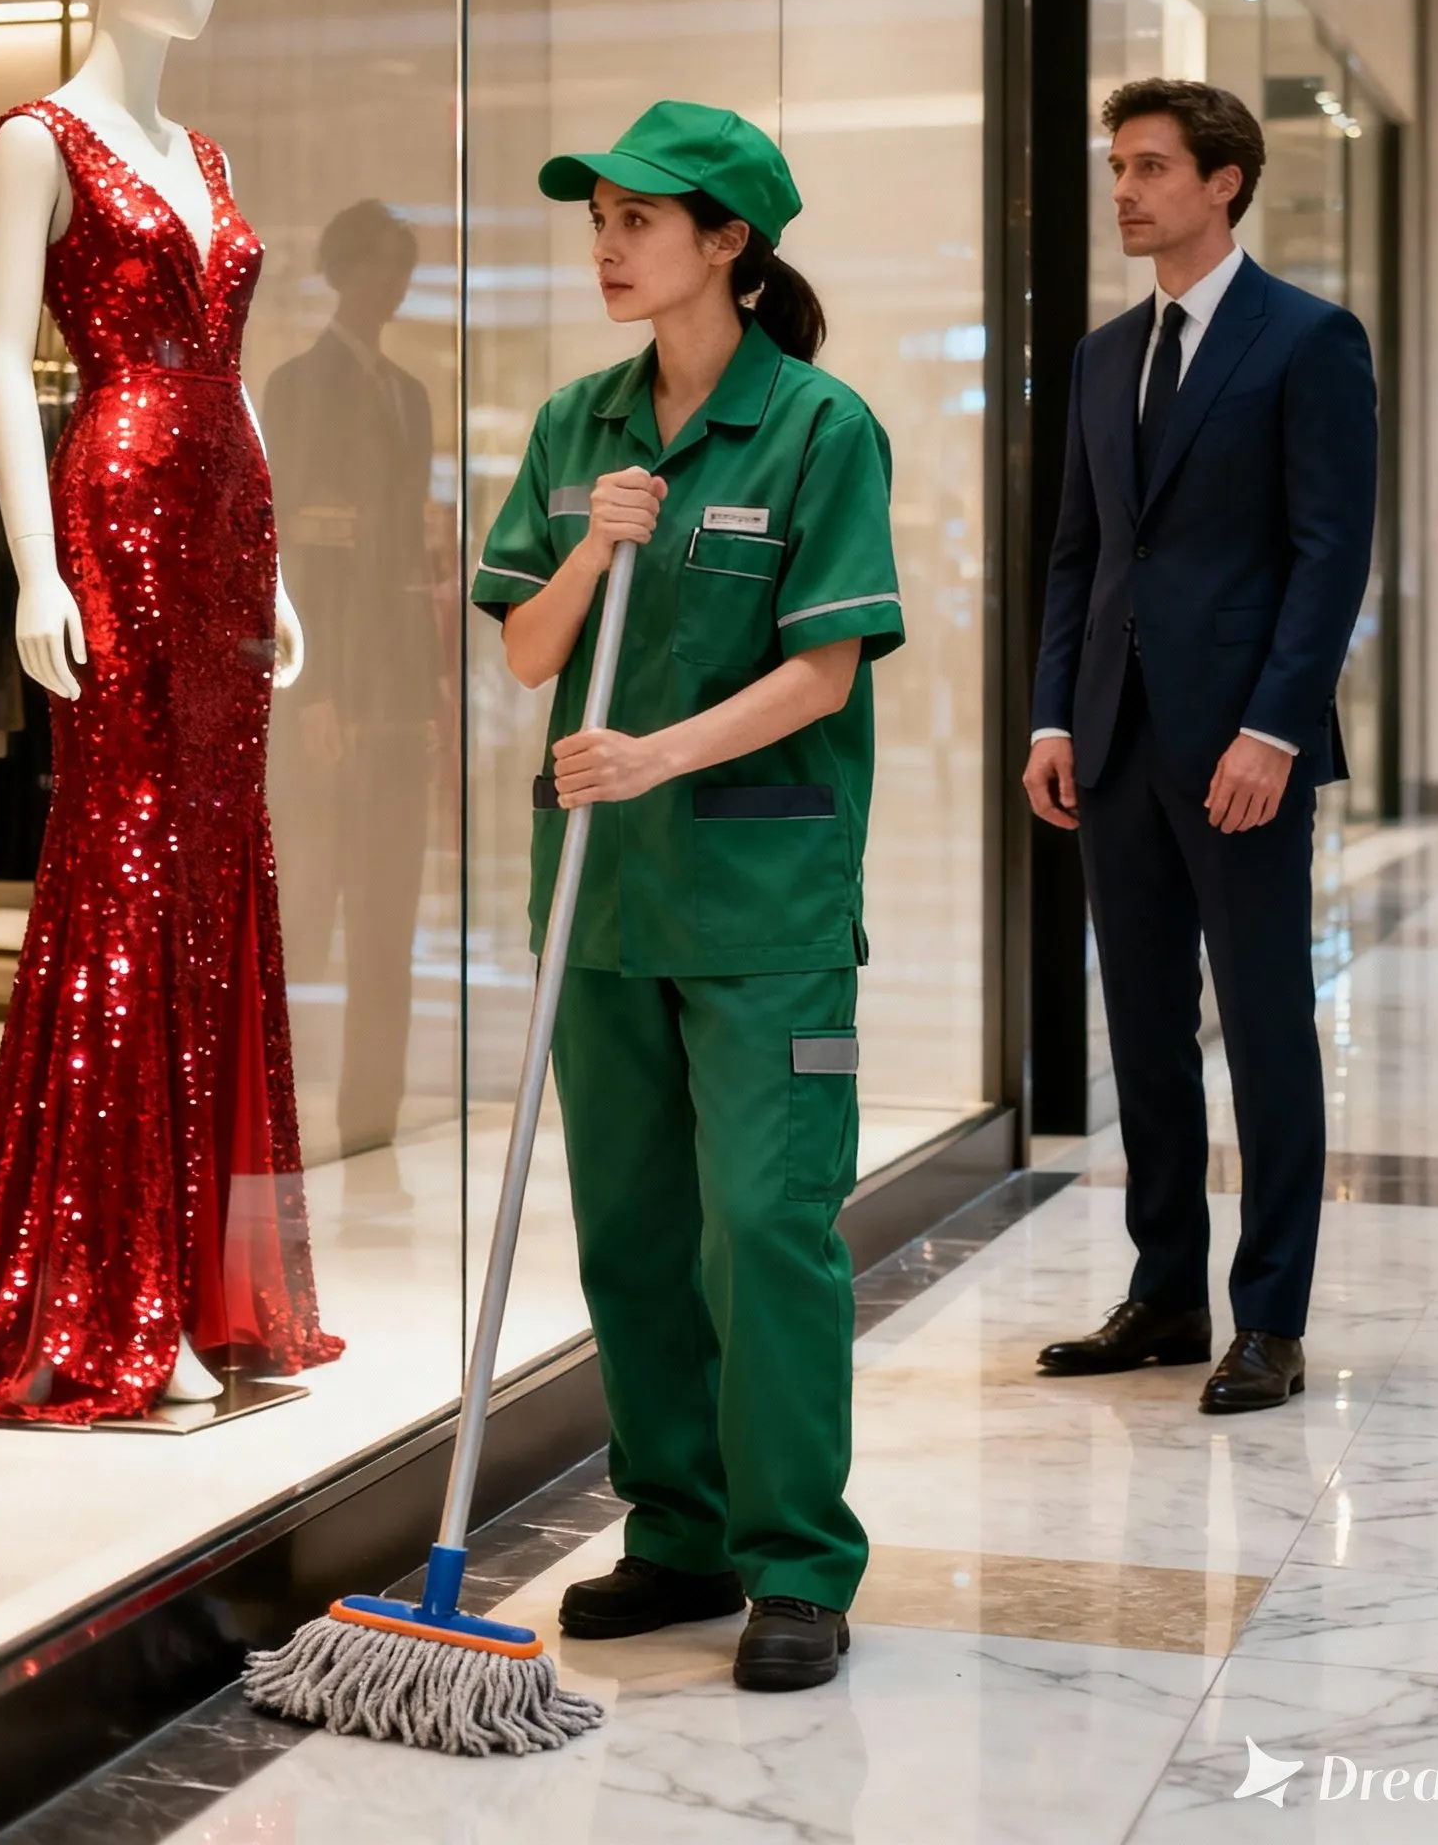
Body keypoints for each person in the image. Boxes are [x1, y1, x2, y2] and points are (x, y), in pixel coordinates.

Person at [471, 101, 903, 1690]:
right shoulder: (576, 425)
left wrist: (654, 756)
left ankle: (797, 1563)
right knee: (636, 1232)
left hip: (763, 901)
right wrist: (593, 551)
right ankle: (678, 1534)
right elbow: (529, 651)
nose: (607, 247)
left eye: (638, 222)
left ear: (729, 243)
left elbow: (824, 669)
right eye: (598, 221)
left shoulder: (819, 427)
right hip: (603, 903)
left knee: (765, 1226)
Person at [1023, 78, 1376, 1414]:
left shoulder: (1309, 340)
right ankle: (1166, 1291)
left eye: (1151, 167)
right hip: (1112, 740)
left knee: (1267, 1025)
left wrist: (1275, 728)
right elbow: (1079, 555)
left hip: (1243, 748)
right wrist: (1053, 715)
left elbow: (1330, 554)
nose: (1124, 190)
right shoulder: (1104, 354)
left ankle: (1271, 1315)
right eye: (1118, 166)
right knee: (1144, 1027)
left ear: (1224, 182)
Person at [264, 202, 444, 1167]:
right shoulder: (298, 387)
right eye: (376, 267)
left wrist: (428, 689)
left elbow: (407, 559)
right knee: (303, 913)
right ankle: (270, 1118)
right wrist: (315, 691)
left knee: (388, 918)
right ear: (341, 272)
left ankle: (369, 1121)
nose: (391, 286)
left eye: (400, 269)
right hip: (324, 693)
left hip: (395, 693)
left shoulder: (409, 396)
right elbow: (294, 550)